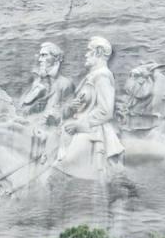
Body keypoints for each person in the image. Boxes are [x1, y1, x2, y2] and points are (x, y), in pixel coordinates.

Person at [56, 36, 124, 180]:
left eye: (89, 50)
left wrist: (79, 125)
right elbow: (87, 104)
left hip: (93, 132)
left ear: (98, 52)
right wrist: (73, 107)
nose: (86, 54)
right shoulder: (91, 76)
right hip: (78, 129)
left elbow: (105, 111)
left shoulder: (102, 76)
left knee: (66, 167)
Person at [19, 42, 75, 125]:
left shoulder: (65, 83)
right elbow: (23, 110)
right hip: (32, 126)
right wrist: (33, 108)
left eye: (44, 55)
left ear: (56, 58)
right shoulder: (37, 83)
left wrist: (54, 116)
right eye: (40, 55)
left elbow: (69, 112)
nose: (40, 60)